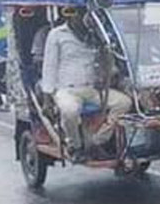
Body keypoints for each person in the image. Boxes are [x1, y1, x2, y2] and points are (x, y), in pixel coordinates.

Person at [40, 8, 132, 157]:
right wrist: (47, 99)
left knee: (124, 103)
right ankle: (75, 145)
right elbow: (49, 67)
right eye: (80, 14)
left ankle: (97, 141)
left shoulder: (95, 36)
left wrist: (106, 72)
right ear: (71, 16)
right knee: (70, 111)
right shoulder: (57, 35)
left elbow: (106, 61)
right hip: (67, 90)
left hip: (92, 89)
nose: (84, 19)